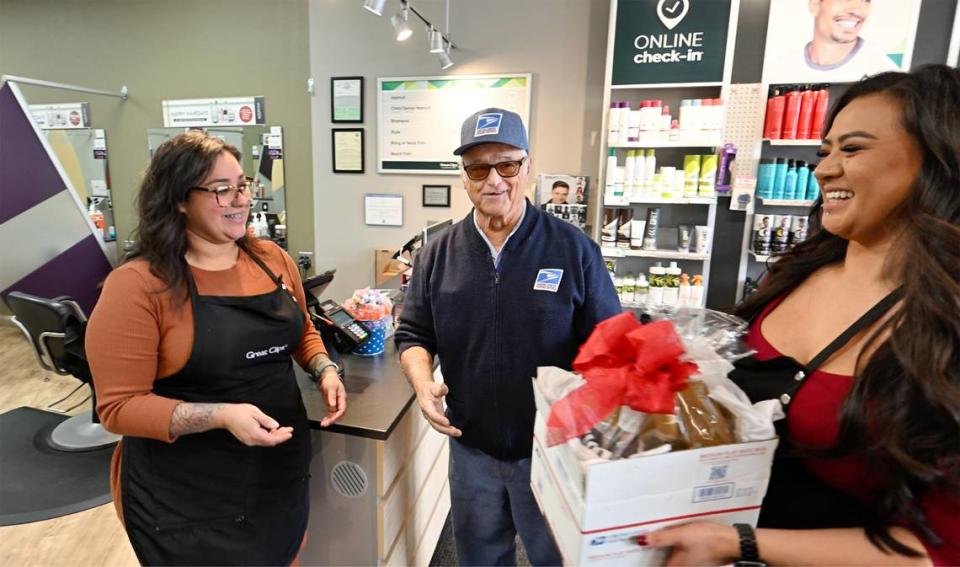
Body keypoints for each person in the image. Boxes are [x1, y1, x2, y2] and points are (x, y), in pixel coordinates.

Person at [646, 65, 960, 566]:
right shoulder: (796, 273)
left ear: (936, 161)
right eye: (825, 151)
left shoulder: (943, 324)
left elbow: (941, 551)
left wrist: (741, 543)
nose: (825, 169)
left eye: (852, 149)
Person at [86, 132, 346, 566]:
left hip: (276, 472)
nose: (239, 200)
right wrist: (221, 415)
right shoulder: (137, 286)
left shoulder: (271, 259)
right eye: (221, 190)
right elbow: (118, 408)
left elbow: (301, 329)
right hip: (188, 499)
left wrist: (324, 369)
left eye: (242, 186)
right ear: (179, 199)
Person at [395, 107, 621, 566]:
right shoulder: (437, 253)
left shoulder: (573, 248)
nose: (493, 179)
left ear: (528, 168)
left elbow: (610, 344)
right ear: (465, 177)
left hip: (551, 449)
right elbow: (414, 332)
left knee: (554, 558)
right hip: (470, 445)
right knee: (479, 558)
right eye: (478, 167)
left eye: (507, 165)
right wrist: (422, 384)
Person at [802, 0, 898, 75]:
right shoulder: (788, 64)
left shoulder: (882, 70)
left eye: (866, 0)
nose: (857, 11)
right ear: (815, 5)